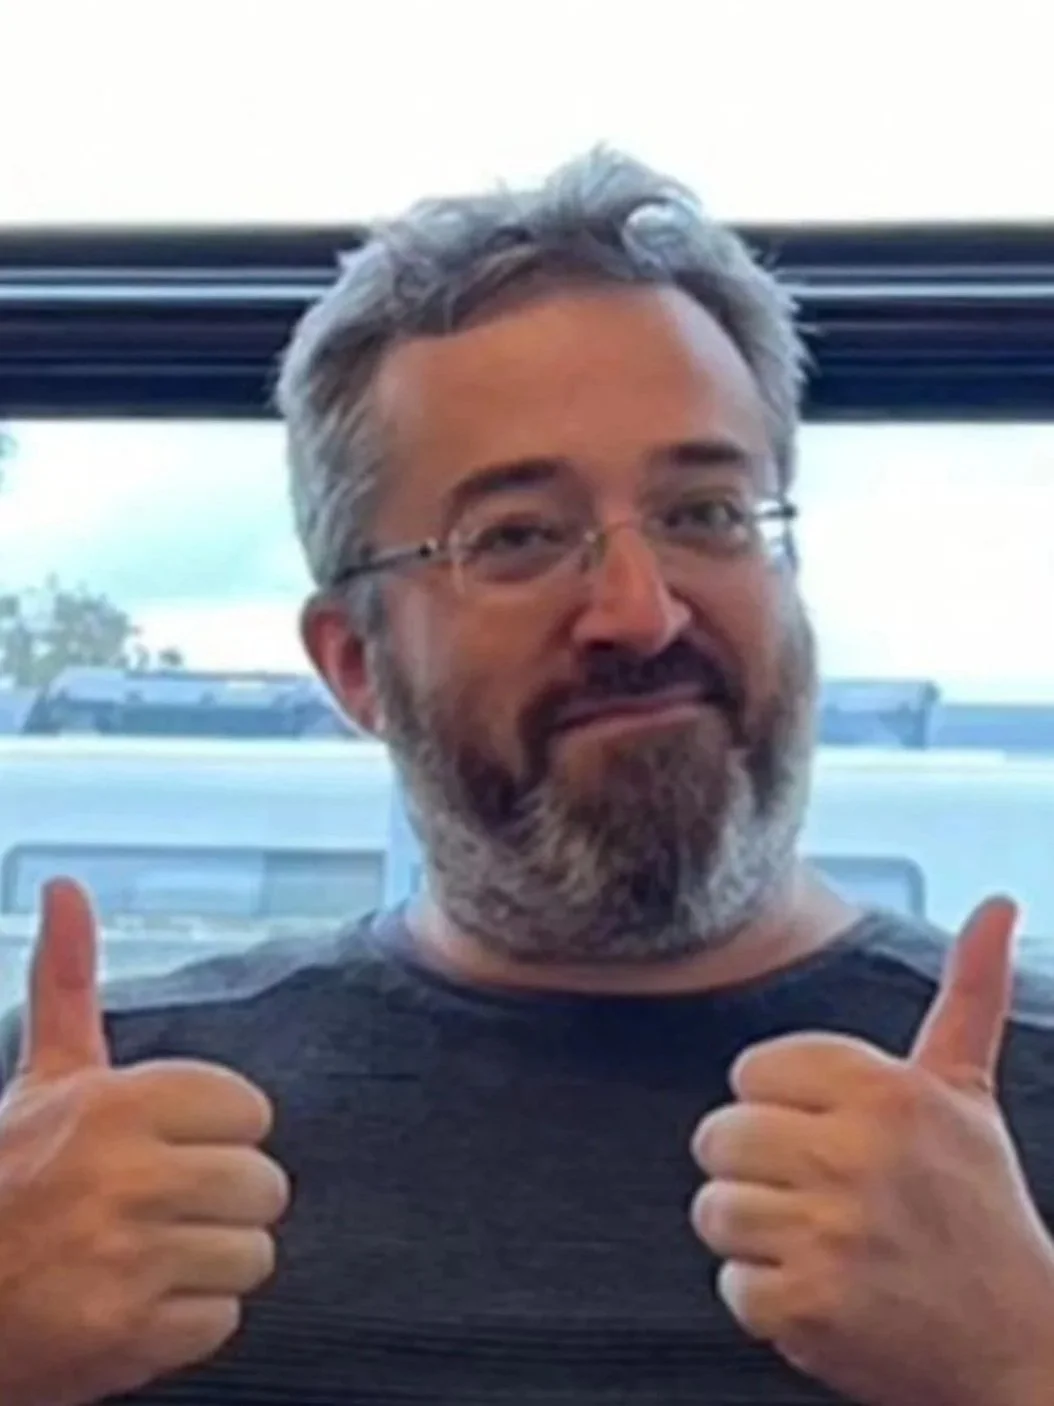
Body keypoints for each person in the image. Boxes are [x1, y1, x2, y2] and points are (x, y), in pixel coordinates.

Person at [0, 150, 1052, 1406]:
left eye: (706, 512)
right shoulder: (68, 1135)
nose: (639, 609)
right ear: (356, 663)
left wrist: (1020, 1361)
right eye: (517, 536)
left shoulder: (1016, 1112)